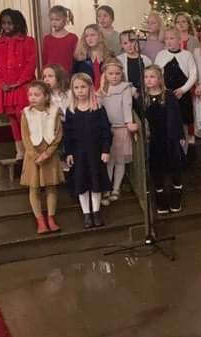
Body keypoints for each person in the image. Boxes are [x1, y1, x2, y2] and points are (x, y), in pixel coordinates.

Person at [64, 73, 112, 228]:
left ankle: (96, 212)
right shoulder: (70, 110)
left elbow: (106, 131)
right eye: (76, 87)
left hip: (95, 152)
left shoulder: (98, 109)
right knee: (82, 183)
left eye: (83, 87)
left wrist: (105, 150)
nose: (80, 90)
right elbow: (68, 134)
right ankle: (86, 214)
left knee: (95, 182)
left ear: (90, 88)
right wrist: (68, 153)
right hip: (78, 154)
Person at [0, 8, 37, 160]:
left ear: (17, 24)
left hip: (23, 87)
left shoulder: (28, 41)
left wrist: (19, 82)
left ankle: (30, 149)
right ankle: (20, 150)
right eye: (4, 23)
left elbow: (31, 64)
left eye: (10, 23)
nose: (6, 26)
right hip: (6, 87)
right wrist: (1, 82)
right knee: (13, 119)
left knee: (25, 117)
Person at [20, 81, 64, 234]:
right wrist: (34, 155)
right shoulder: (26, 113)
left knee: (51, 187)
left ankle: (51, 218)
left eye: (37, 95)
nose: (32, 97)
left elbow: (58, 134)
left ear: (46, 96)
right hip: (33, 156)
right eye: (30, 95)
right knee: (34, 188)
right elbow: (25, 137)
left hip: (49, 154)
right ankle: (40, 220)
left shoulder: (54, 111)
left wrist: (48, 153)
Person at [144, 65, 186, 214]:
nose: (148, 80)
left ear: (160, 79)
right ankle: (161, 201)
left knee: (174, 167)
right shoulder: (143, 98)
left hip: (169, 138)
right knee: (156, 170)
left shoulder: (168, 95)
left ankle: (176, 197)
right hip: (153, 140)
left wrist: (179, 136)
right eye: (146, 77)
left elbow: (176, 117)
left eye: (152, 77)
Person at [98, 60, 138, 204]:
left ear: (122, 74)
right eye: (110, 74)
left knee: (120, 160)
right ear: (105, 75)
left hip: (121, 128)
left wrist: (128, 122)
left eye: (117, 73)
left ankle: (116, 188)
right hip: (107, 130)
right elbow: (99, 106)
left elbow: (127, 105)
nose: (114, 76)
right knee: (109, 161)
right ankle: (107, 188)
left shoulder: (125, 87)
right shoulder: (102, 90)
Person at [155, 27, 198, 147]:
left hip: (182, 95)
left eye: (172, 38)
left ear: (179, 40)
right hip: (166, 94)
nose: (168, 41)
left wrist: (183, 90)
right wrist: (163, 90)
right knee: (167, 122)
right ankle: (170, 151)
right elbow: (156, 73)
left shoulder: (187, 55)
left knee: (183, 123)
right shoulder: (161, 55)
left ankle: (183, 152)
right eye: (166, 38)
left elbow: (193, 75)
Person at [73, 24, 111, 90]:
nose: (89, 39)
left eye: (93, 35)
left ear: (100, 36)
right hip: (87, 93)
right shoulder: (80, 58)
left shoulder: (109, 56)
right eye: (86, 36)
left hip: (106, 92)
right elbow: (75, 79)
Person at [115, 31, 152, 99]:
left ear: (137, 41)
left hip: (144, 94)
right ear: (121, 45)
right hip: (126, 95)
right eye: (125, 43)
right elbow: (118, 79)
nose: (129, 45)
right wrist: (132, 91)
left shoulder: (145, 59)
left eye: (132, 41)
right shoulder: (119, 60)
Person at [42, 5, 77, 73]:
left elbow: (75, 60)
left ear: (65, 20)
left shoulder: (72, 38)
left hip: (67, 74)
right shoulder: (47, 39)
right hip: (51, 75)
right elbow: (44, 60)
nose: (54, 22)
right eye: (52, 19)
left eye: (57, 20)